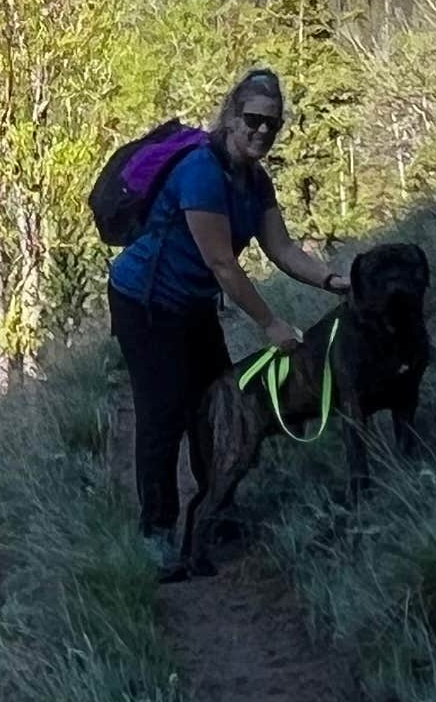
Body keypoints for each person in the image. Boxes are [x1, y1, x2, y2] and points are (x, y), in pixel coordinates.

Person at [108, 67, 349, 576]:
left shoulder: (254, 182)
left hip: (192, 304)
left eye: (273, 124)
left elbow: (281, 248)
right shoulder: (201, 172)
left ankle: (216, 507)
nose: (262, 131)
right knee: (163, 412)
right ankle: (156, 533)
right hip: (145, 303)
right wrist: (271, 324)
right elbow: (223, 263)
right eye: (254, 119)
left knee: (218, 399)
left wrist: (333, 282)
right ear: (232, 116)